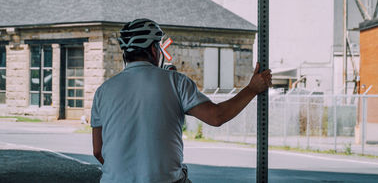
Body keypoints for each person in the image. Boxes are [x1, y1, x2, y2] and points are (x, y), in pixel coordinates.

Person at [91, 18, 272, 183]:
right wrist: (252, 89)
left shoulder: (102, 92)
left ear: (125, 54)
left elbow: (98, 151)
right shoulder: (175, 81)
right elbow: (217, 116)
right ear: (155, 51)